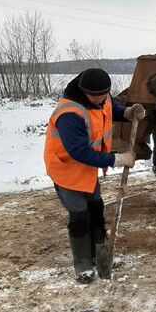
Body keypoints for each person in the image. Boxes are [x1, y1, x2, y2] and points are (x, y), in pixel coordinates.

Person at [43, 68, 144, 283]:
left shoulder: (101, 97)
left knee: (96, 209)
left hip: (87, 170)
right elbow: (79, 152)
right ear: (83, 91)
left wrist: (126, 113)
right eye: (95, 95)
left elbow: (109, 109)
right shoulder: (69, 114)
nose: (100, 99)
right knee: (80, 214)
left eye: (104, 94)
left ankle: (100, 256)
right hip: (66, 170)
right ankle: (82, 263)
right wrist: (116, 159)